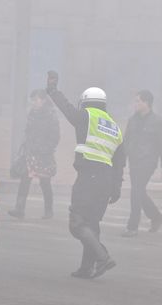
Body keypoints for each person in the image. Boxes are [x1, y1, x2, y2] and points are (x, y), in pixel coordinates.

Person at [46, 71, 125, 279]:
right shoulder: (115, 128)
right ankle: (87, 268)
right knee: (92, 224)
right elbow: (120, 162)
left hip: (89, 176)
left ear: (86, 102)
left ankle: (103, 257)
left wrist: (53, 91)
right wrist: (116, 188)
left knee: (77, 223)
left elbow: (68, 110)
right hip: (106, 180)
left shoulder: (86, 116)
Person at [121, 90, 162, 237]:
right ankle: (156, 217)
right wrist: (121, 161)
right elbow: (126, 141)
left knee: (136, 191)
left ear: (147, 103)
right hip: (134, 161)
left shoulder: (158, 122)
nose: (135, 104)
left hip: (148, 162)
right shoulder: (132, 120)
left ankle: (132, 227)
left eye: (138, 101)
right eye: (135, 101)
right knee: (139, 191)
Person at [8, 89, 60, 220]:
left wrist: (45, 149)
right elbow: (29, 132)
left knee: (45, 182)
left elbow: (55, 137)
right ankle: (19, 209)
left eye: (36, 99)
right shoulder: (32, 113)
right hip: (30, 152)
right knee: (25, 179)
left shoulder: (51, 115)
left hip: (44, 154)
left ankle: (49, 211)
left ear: (43, 100)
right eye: (33, 100)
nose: (34, 102)